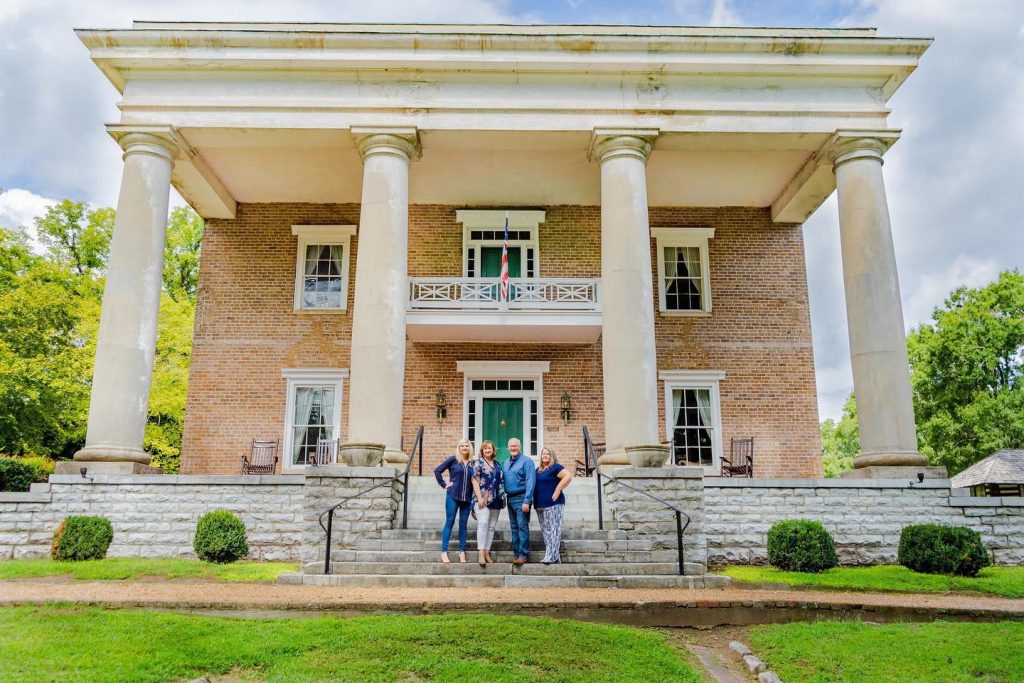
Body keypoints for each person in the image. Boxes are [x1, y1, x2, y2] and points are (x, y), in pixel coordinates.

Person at [434, 438, 474, 563]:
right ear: (459, 448)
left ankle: (462, 552)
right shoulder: (453, 459)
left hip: (467, 498)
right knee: (449, 522)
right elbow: (437, 470)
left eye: (466, 446)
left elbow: (476, 481)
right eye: (462, 446)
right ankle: (444, 552)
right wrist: (444, 484)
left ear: (469, 448)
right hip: (453, 496)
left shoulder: (474, 463)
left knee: (463, 525)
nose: (464, 448)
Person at [534, 446, 572, 565]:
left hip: (553, 503)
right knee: (546, 532)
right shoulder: (537, 470)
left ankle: (550, 556)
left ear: (552, 456)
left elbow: (568, 476)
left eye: (548, 454)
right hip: (540, 505)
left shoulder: (555, 467)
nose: (545, 456)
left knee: (553, 531)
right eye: (543, 454)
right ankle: (555, 557)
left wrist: (558, 489)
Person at [501, 437, 536, 566]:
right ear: (508, 448)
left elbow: (531, 481)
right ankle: (516, 553)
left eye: (516, 446)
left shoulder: (526, 462)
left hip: (522, 498)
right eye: (511, 446)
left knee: (522, 526)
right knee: (514, 527)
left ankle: (523, 554)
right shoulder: (505, 462)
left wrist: (527, 500)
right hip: (510, 499)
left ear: (520, 447)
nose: (513, 448)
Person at [470, 440, 504, 566]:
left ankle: (487, 552)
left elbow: (501, 483)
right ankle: (481, 553)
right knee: (483, 524)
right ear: (482, 451)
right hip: (482, 499)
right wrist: (479, 498)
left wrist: (503, 499)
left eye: (489, 448)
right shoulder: (478, 463)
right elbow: (475, 480)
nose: (488, 450)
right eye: (485, 448)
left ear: (493, 450)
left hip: (496, 500)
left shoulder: (497, 464)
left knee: (491, 527)